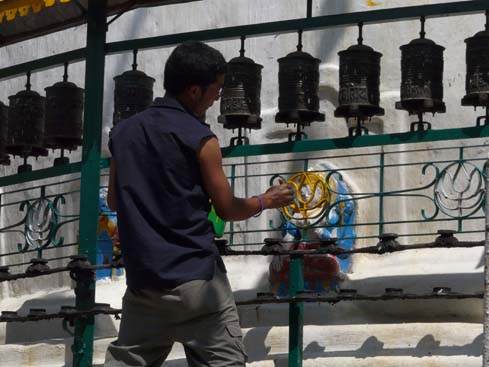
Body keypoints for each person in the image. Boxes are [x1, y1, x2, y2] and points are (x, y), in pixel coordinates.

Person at [104, 41, 294, 367]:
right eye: (216, 90)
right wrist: (266, 200)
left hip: (144, 285)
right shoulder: (201, 139)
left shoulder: (122, 133)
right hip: (197, 283)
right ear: (194, 90)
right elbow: (227, 209)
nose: (217, 97)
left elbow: (113, 199)